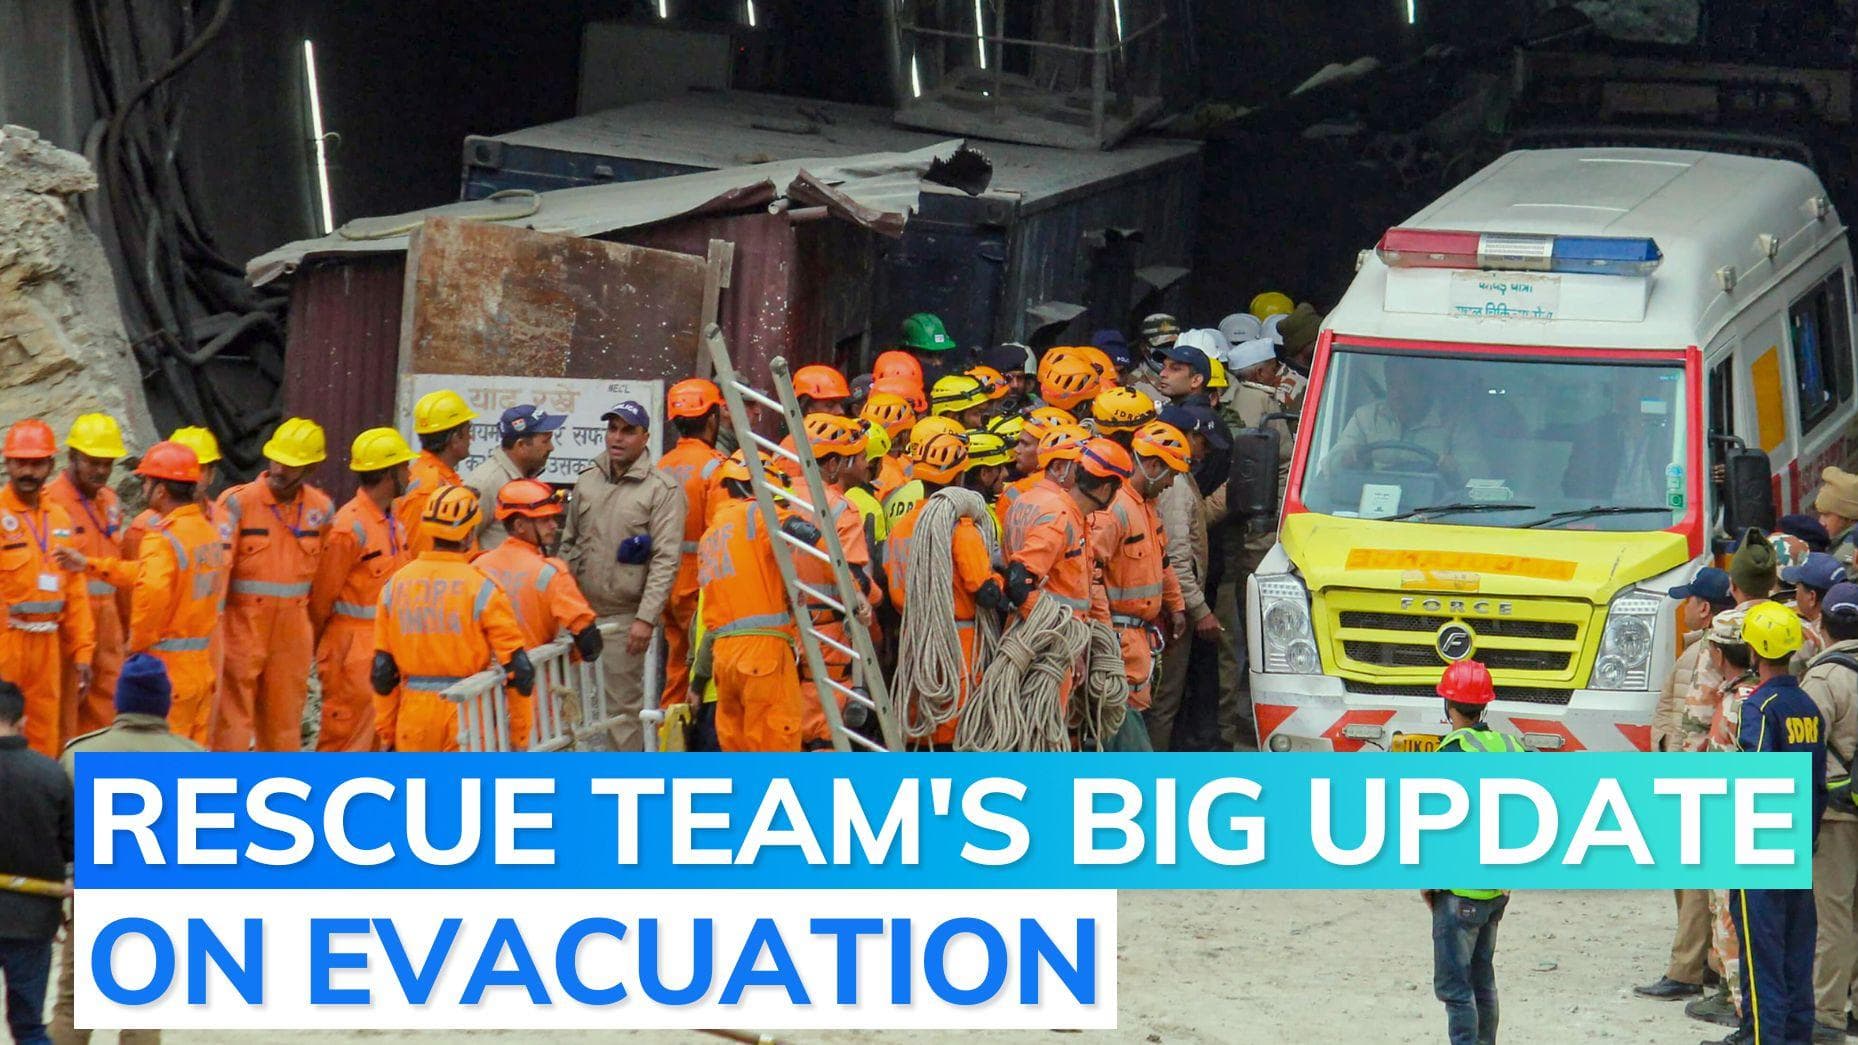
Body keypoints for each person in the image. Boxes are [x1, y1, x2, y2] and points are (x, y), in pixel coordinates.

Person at [52, 654, 198, 1045]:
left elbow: (60, 837)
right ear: (164, 703)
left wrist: (58, 896)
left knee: (73, 1006)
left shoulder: (78, 755)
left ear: (120, 701)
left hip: (94, 895)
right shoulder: (194, 758)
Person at [57, 442, 228, 745]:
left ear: (160, 490)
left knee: (157, 756)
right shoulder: (206, 532)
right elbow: (151, 574)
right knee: (191, 757)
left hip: (166, 673)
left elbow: (152, 593)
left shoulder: (163, 538)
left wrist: (135, 647)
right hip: (200, 669)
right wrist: (89, 564)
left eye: (146, 482)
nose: (144, 488)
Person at [1713, 601, 1828, 1045]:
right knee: (1796, 954)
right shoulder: (1807, 706)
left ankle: (1761, 1037)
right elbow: (1817, 783)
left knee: (1761, 958)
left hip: (1761, 850)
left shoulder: (1760, 707)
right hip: (1798, 844)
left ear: (1754, 650)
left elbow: (1755, 778)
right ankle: (1796, 1036)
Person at [560, 400, 684, 752]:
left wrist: (645, 618)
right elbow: (567, 545)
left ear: (645, 437)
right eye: (612, 429)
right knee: (568, 711)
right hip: (577, 617)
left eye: (628, 431)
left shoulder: (661, 490)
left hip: (623, 619)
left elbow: (665, 560)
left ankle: (624, 782)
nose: (617, 437)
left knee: (622, 716)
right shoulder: (587, 480)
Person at [371, 486, 533, 751]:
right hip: (467, 711)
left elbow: (383, 670)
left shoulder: (395, 585)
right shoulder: (482, 587)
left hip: (414, 717)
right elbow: (519, 668)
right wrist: (520, 737)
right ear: (468, 534)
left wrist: (388, 735)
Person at [1638, 566, 1734, 1003]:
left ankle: (1686, 969)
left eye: (1690, 600)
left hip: (1690, 776)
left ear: (1705, 607)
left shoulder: (1705, 654)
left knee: (1692, 877)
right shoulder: (1705, 649)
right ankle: (1708, 962)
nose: (1685, 607)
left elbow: (1689, 723)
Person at [213, 418, 332, 752]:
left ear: (311, 467)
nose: (279, 469)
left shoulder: (321, 510)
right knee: (231, 723)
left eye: (290, 464)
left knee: (284, 724)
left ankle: (279, 783)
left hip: (292, 634)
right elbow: (218, 571)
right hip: (241, 626)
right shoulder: (237, 503)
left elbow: (322, 579)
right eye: (276, 460)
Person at [1425, 660, 1525, 1045]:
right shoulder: (1510, 746)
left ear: (1448, 704)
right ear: (1485, 705)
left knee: (1455, 988)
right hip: (1497, 888)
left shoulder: (1452, 752)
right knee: (1483, 981)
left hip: (1459, 889)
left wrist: (1429, 881)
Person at [886, 431, 1000, 747]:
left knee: (921, 736)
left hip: (915, 645)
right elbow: (985, 590)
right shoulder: (960, 529)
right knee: (957, 737)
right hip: (958, 647)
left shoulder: (900, 528)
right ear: (959, 477)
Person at [307, 428, 416, 751]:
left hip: (386, 646)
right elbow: (321, 598)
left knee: (380, 741)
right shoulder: (348, 527)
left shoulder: (392, 522)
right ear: (389, 474)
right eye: (404, 467)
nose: (410, 474)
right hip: (352, 653)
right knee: (348, 742)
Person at [475, 479, 603, 749]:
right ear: (520, 525)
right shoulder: (550, 573)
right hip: (536, 701)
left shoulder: (476, 566)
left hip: (481, 699)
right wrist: (568, 654)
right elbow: (590, 644)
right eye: (544, 520)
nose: (554, 526)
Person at [695, 454, 808, 751]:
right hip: (762, 654)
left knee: (738, 754)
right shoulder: (756, 514)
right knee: (776, 750)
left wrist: (697, 683)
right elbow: (802, 530)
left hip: (723, 660)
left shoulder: (711, 535)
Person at [0, 420, 95, 757]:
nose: (28, 471)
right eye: (21, 462)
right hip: (7, 643)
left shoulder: (59, 520)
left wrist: (82, 651)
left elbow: (75, 591)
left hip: (48, 648)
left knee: (45, 735)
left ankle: (40, 789)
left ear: (51, 465)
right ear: (7, 462)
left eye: (37, 463)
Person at [790, 414, 881, 749]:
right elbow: (854, 579)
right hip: (827, 637)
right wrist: (876, 596)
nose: (866, 463)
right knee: (825, 731)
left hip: (783, 630)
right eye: (857, 456)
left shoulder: (777, 495)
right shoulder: (841, 509)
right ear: (833, 465)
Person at [1093, 423, 1189, 740]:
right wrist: (1104, 632)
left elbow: (1162, 562)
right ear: (1152, 466)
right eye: (1171, 474)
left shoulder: (1147, 508)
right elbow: (1089, 573)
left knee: (1130, 720)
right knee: (1121, 731)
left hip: (1136, 641)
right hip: (1117, 641)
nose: (1171, 483)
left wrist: (1176, 606)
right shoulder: (1116, 510)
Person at [45, 414, 127, 743]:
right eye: (93, 462)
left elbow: (119, 567)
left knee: (109, 713)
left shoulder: (111, 502)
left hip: (108, 626)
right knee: (65, 715)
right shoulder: (50, 502)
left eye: (107, 464)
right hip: (69, 625)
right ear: (72, 457)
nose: (101, 471)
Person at [1800, 582, 1858, 1040]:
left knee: (1833, 915)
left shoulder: (1823, 678)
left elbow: (1806, 749)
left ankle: (1828, 1013)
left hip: (1836, 816)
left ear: (1822, 623)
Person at [0, 679, 70, 1045]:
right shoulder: (51, 775)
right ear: (23, 722)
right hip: (33, 919)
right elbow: (71, 848)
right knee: (28, 1027)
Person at [657, 378, 728, 710]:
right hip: (699, 580)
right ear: (712, 418)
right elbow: (721, 531)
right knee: (705, 669)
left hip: (665, 577)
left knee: (676, 667)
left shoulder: (662, 465)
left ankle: (669, 734)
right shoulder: (717, 467)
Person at [1151, 404, 1218, 750]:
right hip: (1171, 609)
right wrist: (1198, 609)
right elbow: (1178, 557)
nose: (1201, 444)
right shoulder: (1175, 483)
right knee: (1163, 699)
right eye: (1196, 436)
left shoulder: (1178, 477)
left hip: (1167, 604)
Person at [464, 404, 564, 551]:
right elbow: (461, 541)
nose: (551, 447)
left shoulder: (526, 477)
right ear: (521, 445)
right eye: (545, 441)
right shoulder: (485, 483)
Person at [399, 389, 477, 557]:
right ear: (455, 439)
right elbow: (422, 554)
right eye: (468, 431)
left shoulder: (440, 477)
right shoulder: (429, 487)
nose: (472, 439)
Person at [899, 312, 961, 382]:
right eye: (929, 355)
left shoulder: (948, 384)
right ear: (908, 352)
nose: (938, 362)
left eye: (940, 355)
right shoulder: (894, 385)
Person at [1817, 466, 1858, 567]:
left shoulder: (1845, 554)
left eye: (1827, 515)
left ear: (1849, 518)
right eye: (1820, 514)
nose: (1821, 522)